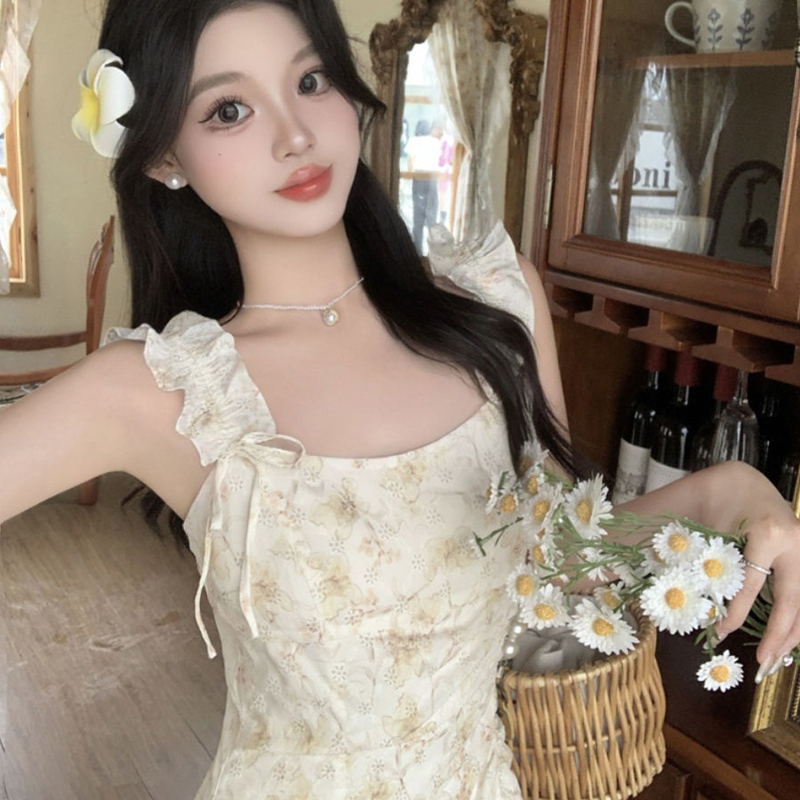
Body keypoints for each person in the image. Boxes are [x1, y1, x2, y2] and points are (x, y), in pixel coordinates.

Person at [1, 0, 799, 797]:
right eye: (229, 110)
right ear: (162, 156)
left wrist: (726, 491)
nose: (296, 135)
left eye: (310, 80)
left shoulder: (498, 309)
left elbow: (565, 563)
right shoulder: (169, 389)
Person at [404, 118, 443, 252]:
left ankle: (418, 250)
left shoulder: (414, 141)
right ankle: (433, 251)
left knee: (418, 215)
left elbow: (410, 161)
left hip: (419, 179)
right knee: (431, 214)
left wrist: (410, 175)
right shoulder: (435, 142)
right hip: (432, 179)